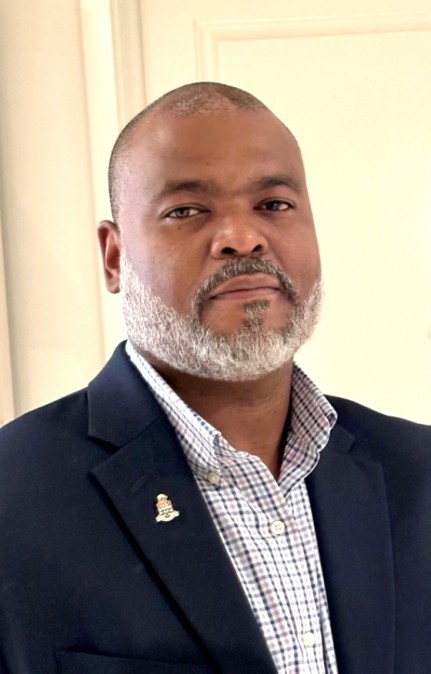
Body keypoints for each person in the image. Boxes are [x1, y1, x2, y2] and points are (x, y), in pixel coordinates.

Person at [0, 82, 430, 674]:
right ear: (114, 256)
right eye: (186, 211)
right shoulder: (14, 497)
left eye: (273, 204)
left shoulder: (419, 472)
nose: (243, 237)